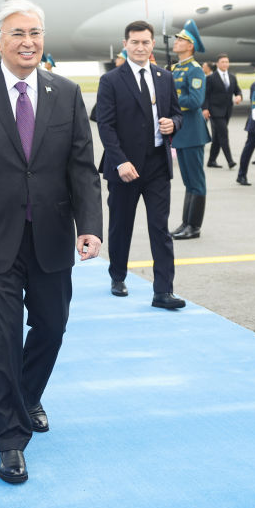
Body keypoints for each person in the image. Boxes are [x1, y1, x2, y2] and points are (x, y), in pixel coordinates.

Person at [0, 0, 102, 485]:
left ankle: (27, 394)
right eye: (17, 33)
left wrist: (89, 225)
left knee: (52, 326)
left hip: (51, 232)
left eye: (35, 33)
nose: (28, 42)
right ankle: (10, 438)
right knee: (4, 336)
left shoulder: (65, 92)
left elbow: (81, 166)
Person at [96, 20, 185, 309]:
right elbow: (105, 126)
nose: (140, 47)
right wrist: (120, 162)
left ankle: (163, 291)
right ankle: (118, 275)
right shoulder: (111, 80)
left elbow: (177, 113)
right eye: (134, 42)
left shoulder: (165, 77)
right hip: (125, 168)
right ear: (125, 45)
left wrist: (174, 124)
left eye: (145, 42)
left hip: (157, 164)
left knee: (160, 228)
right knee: (121, 225)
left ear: (152, 44)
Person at [169, 20, 210, 240]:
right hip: (182, 133)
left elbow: (195, 100)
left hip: (193, 132)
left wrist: (172, 100)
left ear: (190, 45)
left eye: (181, 39)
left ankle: (194, 226)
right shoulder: (176, 69)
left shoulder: (195, 70)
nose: (176, 42)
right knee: (188, 182)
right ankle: (186, 222)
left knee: (196, 181)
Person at [204, 53, 243, 169]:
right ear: (217, 64)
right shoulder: (211, 78)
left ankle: (211, 160)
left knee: (217, 137)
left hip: (227, 111)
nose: (225, 64)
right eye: (223, 62)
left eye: (227, 62)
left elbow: (237, 90)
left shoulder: (232, 77)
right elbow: (205, 95)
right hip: (215, 111)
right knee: (224, 134)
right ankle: (230, 160)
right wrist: (205, 109)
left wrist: (239, 96)